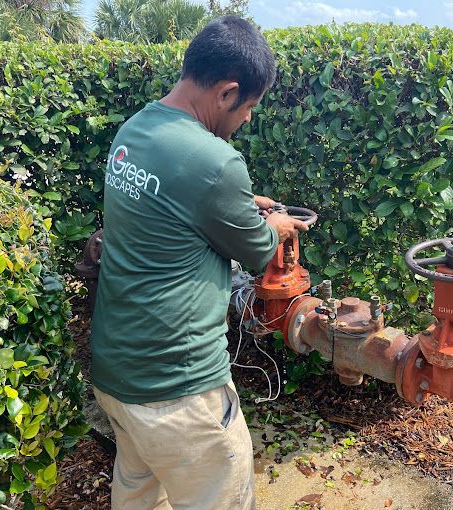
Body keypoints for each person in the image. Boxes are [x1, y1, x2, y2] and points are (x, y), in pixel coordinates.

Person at [89, 15, 308, 510]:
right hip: (179, 391)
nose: (248, 118)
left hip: (117, 376)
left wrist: (241, 207)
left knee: (141, 497)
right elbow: (256, 250)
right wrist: (276, 225)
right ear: (227, 93)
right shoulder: (217, 162)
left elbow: (170, 208)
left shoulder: (135, 129)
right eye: (249, 106)